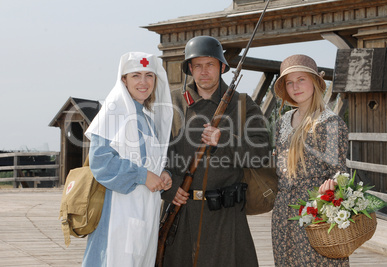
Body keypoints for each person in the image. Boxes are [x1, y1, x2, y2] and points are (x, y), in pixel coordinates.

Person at [161, 35, 270, 267]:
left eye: (210, 64)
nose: (203, 71)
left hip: (227, 218)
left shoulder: (242, 104)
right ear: (189, 68)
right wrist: (167, 186)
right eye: (197, 65)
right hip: (181, 215)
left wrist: (225, 139)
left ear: (221, 66)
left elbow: (261, 153)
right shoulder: (171, 104)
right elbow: (154, 153)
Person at [82, 52, 173, 267]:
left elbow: (149, 162)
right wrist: (142, 176)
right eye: (136, 76)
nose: (143, 82)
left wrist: (162, 175)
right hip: (119, 212)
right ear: (124, 79)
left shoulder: (147, 118)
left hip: (145, 210)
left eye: (149, 76)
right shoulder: (113, 112)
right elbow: (100, 162)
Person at [271, 54, 349, 266]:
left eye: (301, 79)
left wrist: (332, 185)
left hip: (314, 210)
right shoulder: (282, 122)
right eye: (289, 82)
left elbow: (340, 173)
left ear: (314, 82)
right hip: (283, 210)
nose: (295, 87)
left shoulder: (330, 122)